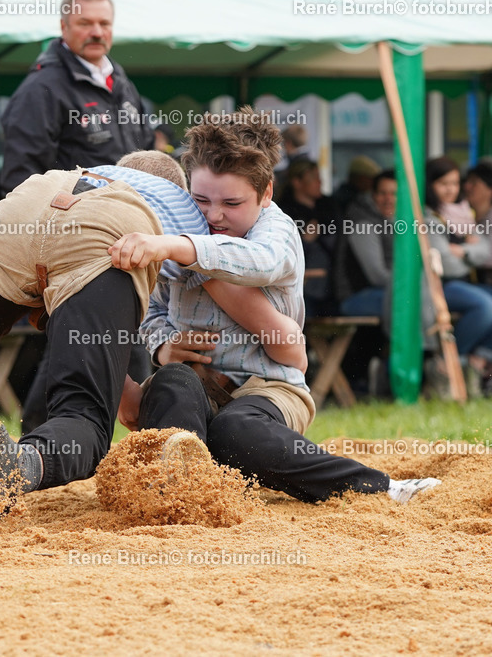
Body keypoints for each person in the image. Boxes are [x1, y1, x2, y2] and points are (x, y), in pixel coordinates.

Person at [0, 149, 303, 521]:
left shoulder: (102, 173)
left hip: (32, 200)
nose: (211, 211)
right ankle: (14, 465)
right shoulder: (184, 219)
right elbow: (240, 267)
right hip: (103, 231)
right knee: (86, 422)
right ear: (179, 191)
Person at [130, 113, 438, 505]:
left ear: (266, 194)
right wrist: (163, 345)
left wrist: (180, 248)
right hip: (198, 388)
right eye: (201, 199)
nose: (213, 215)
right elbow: (153, 309)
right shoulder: (181, 227)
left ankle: (376, 487)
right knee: (171, 380)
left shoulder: (276, 230)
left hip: (271, 389)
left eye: (232, 202)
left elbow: (261, 261)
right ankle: (177, 492)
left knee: (235, 429)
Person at [0, 0, 153, 197]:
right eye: (85, 23)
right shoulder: (41, 89)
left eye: (104, 23)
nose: (97, 32)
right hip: (76, 224)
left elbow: (146, 149)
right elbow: (21, 180)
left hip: (129, 219)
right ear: (64, 27)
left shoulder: (122, 83)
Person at [424, 157, 492, 392]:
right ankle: (447, 363)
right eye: (443, 183)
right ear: (430, 185)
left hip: (463, 283)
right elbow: (446, 265)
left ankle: (476, 362)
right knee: (484, 306)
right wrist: (470, 255)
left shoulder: (462, 213)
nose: (451, 189)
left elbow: (485, 250)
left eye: (454, 183)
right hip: (437, 286)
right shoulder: (427, 216)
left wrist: (461, 251)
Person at [277, 158, 339, 316]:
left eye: (320, 177)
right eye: (314, 178)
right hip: (299, 286)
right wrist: (305, 242)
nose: (320, 182)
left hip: (333, 283)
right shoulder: (283, 213)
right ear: (297, 182)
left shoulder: (329, 207)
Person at [335, 170, 397, 318]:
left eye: (394, 193)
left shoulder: (399, 221)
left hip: (386, 291)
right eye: (383, 193)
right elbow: (377, 276)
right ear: (373, 195)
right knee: (412, 302)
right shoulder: (362, 223)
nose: (388, 199)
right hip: (356, 296)